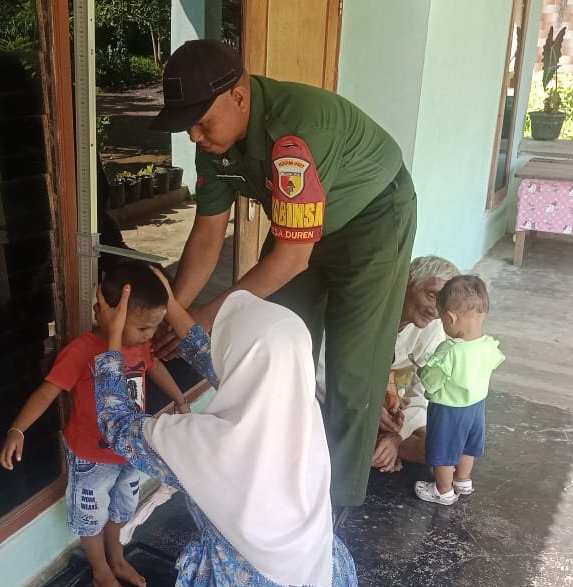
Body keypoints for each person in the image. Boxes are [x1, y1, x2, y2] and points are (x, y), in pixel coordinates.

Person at [149, 39, 416, 513]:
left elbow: (290, 260)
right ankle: (282, 471)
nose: (194, 136)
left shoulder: (297, 135)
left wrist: (209, 314)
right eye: (187, 124)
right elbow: (208, 234)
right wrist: (176, 312)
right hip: (299, 229)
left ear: (238, 96)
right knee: (276, 348)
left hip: (372, 219)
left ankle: (331, 508)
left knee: (353, 370)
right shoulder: (215, 141)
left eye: (201, 122)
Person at [93, 270, 361, 587]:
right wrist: (170, 304)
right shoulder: (298, 407)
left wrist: (112, 342)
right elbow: (229, 368)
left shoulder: (204, 446)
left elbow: (116, 423)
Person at [0, 263, 189, 587]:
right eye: (143, 327)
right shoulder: (82, 351)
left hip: (130, 451)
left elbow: (155, 367)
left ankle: (117, 559)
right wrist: (18, 428)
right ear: (106, 315)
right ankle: (101, 572)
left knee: (122, 508)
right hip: (92, 457)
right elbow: (48, 391)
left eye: (155, 327)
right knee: (91, 517)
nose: (149, 336)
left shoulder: (140, 346)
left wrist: (180, 397)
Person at [413, 275, 505, 506]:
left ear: (451, 317)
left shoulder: (449, 350)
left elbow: (432, 382)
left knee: (443, 448)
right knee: (467, 445)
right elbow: (490, 365)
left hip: (448, 409)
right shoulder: (488, 344)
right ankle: (463, 480)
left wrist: (423, 371)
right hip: (476, 406)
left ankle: (442, 490)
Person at [370, 256, 461, 473]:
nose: (435, 311)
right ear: (407, 283)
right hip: (353, 403)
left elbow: (425, 388)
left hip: (395, 411)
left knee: (443, 448)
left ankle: (383, 446)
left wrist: (397, 435)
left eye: (443, 303)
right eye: (431, 295)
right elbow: (327, 372)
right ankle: (370, 442)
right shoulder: (372, 311)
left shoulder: (433, 329)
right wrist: (369, 409)